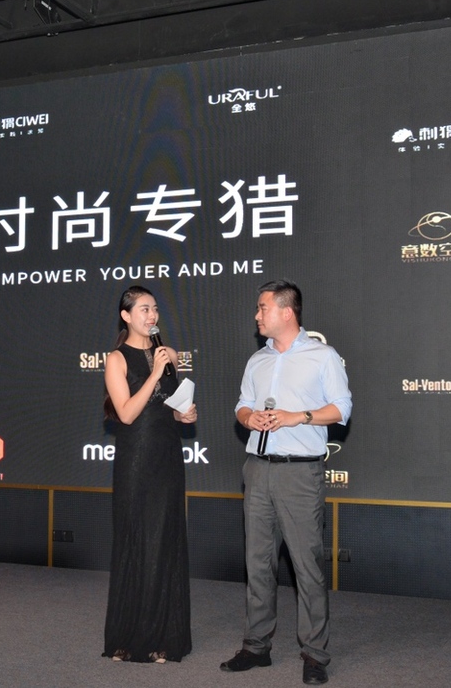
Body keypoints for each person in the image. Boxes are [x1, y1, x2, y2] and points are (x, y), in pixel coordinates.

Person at [220, 279, 352, 686]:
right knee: (257, 563)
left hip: (300, 473)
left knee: (306, 567)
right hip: (257, 469)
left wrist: (300, 417)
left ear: (286, 311)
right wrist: (249, 418)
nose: (257, 315)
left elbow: (341, 408)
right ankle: (256, 647)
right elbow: (242, 405)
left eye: (263, 308)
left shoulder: (322, 356)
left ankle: (314, 655)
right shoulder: (257, 360)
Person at [102, 285, 197, 664]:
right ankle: (128, 638)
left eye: (154, 308)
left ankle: (163, 639)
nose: (152, 315)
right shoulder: (116, 359)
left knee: (164, 543)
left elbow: (170, 405)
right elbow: (126, 413)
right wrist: (154, 372)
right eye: (143, 309)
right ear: (126, 316)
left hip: (167, 456)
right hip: (136, 461)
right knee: (136, 541)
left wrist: (184, 414)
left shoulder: (169, 354)